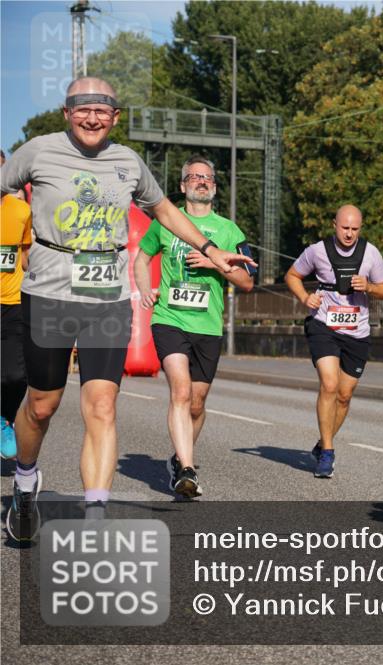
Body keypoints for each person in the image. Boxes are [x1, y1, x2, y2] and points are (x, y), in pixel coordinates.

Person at [0, 77, 253, 540]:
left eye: (102, 110)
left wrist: (213, 250)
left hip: (105, 296)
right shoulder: (36, 151)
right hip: (50, 292)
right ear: (66, 112)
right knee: (42, 405)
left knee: (102, 405)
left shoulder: (128, 162)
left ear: (116, 117)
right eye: (82, 109)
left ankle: (95, 518)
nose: (92, 117)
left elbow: (167, 213)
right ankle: (24, 480)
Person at [134, 155, 254, 499]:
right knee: (181, 392)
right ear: (183, 184)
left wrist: (215, 263)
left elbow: (246, 282)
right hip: (169, 319)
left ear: (214, 188)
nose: (201, 181)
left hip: (208, 325)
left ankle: (178, 456)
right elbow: (142, 259)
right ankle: (187, 469)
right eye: (194, 177)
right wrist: (145, 288)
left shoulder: (229, 231)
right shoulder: (167, 221)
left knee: (197, 404)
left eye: (207, 178)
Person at [284, 205, 383, 478]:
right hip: (324, 326)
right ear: (334, 224)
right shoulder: (317, 251)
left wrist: (368, 286)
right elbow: (292, 275)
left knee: (344, 396)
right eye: (345, 228)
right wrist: (305, 297)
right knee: (329, 385)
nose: (349, 234)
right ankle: (328, 454)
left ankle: (322, 443)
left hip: (357, 332)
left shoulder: (370, 253)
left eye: (355, 229)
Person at [1, 150, 32, 460]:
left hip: (12, 302)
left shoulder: (21, 211)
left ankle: (4, 418)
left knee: (15, 376)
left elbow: (24, 253)